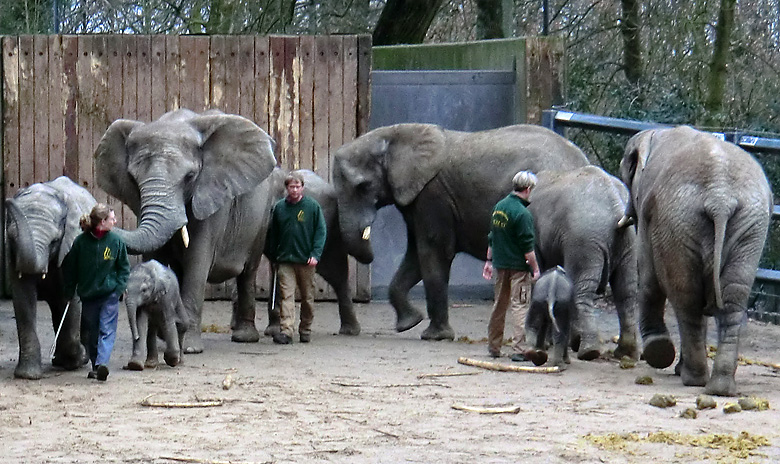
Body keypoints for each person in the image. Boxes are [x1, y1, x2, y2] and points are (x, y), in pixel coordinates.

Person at [63, 203, 130, 381]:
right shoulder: (80, 243)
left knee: (107, 329)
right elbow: (71, 269)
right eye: (112, 218)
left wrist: (119, 288)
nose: (115, 221)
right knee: (92, 332)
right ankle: (96, 365)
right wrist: (69, 291)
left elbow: (124, 267)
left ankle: (102, 363)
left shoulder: (116, 242)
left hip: (110, 294)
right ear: (102, 222)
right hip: (88, 295)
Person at [483, 171, 541, 361]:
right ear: (528, 189)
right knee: (520, 306)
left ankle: (494, 346)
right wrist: (535, 268)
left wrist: (489, 261)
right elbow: (528, 248)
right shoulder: (523, 214)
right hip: (518, 268)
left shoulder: (499, 207)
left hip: (500, 266)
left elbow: (492, 237)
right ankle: (519, 348)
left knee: (499, 305)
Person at [267, 171, 327, 344]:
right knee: (286, 296)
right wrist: (273, 255)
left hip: (306, 260)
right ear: (286, 188)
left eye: (297, 186)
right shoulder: (279, 208)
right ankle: (286, 331)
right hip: (285, 260)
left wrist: (315, 254)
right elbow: (273, 234)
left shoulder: (312, 207)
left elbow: (321, 232)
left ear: (302, 188)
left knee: (307, 297)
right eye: (291, 187)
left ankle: (305, 328)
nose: (294, 190)